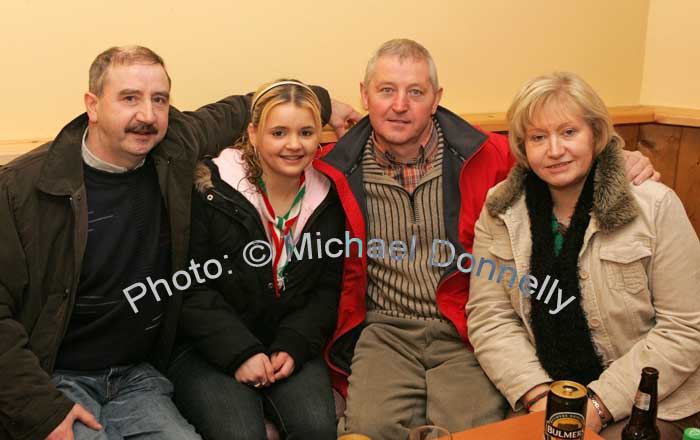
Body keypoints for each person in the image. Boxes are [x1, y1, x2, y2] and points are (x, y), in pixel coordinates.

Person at [0, 45, 356, 440]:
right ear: (93, 105)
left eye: (160, 100)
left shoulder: (171, 151)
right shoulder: (22, 189)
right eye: (129, 98)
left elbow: (234, 111)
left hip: (139, 374)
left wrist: (322, 101)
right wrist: (40, 410)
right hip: (56, 378)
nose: (147, 116)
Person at [315, 39, 659, 439]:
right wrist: (324, 103)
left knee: (476, 430)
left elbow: (559, 153)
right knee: (369, 430)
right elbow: (269, 141)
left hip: (463, 328)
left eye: (416, 92)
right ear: (364, 94)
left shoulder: (486, 154)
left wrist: (620, 158)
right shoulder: (332, 166)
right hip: (383, 331)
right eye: (386, 90)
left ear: (437, 98)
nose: (399, 105)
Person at [466, 72, 700, 439]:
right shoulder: (501, 210)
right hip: (546, 393)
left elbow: (685, 329)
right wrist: (540, 396)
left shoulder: (654, 206)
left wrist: (597, 405)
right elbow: (489, 316)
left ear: (595, 133)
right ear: (522, 146)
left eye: (569, 132)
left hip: (649, 403)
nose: (555, 149)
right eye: (538, 137)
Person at [167, 79, 343, 440]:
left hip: (287, 343)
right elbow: (189, 286)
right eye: (278, 132)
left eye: (306, 132)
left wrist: (294, 343)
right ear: (253, 132)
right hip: (210, 346)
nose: (294, 145)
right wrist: (240, 352)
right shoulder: (211, 191)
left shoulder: (330, 197)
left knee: (316, 427)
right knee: (241, 435)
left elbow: (328, 290)